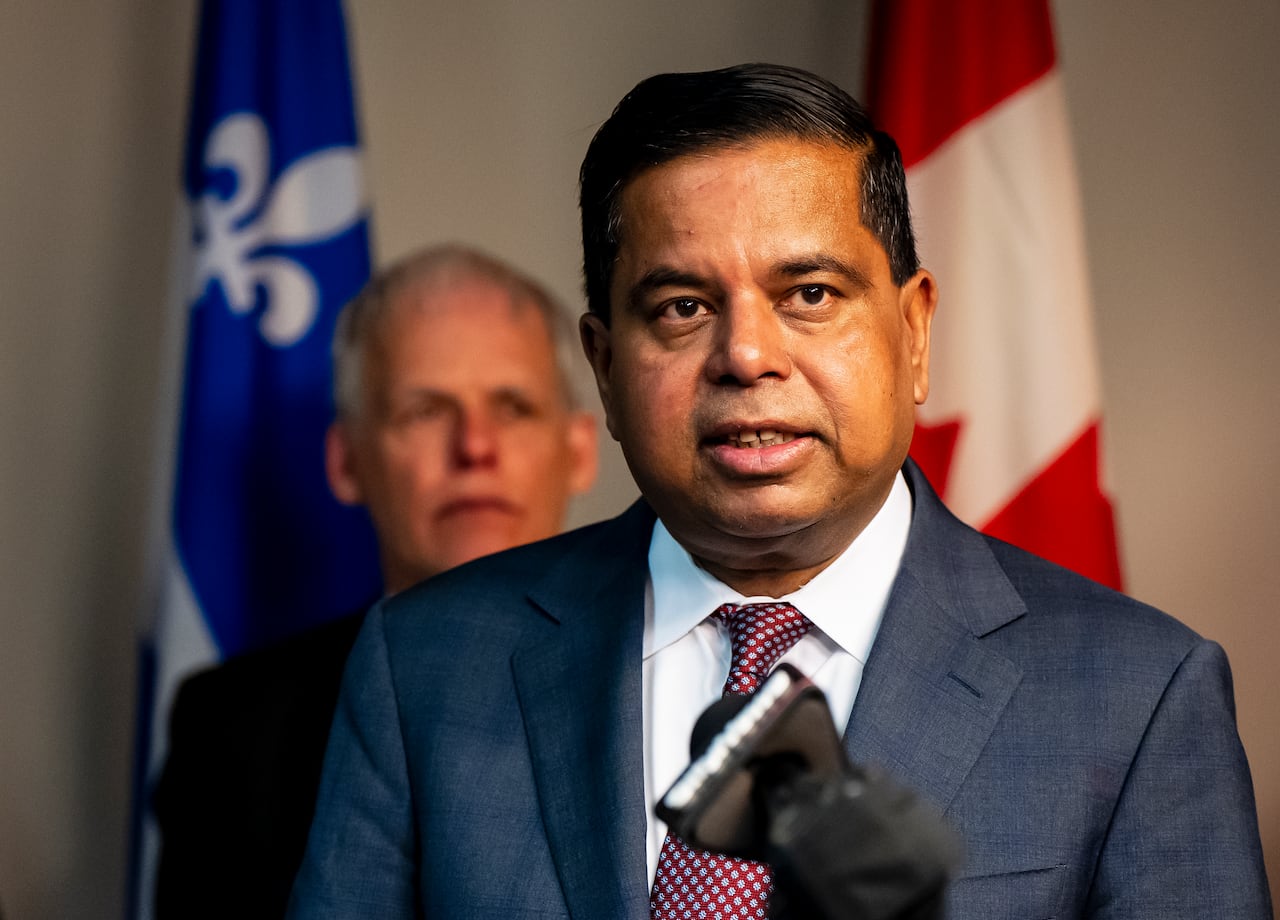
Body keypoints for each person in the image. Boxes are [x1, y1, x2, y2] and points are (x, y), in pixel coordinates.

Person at [287, 64, 1272, 919]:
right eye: (682, 306)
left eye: (809, 294)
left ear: (913, 331)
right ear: (605, 367)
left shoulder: (1140, 696)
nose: (747, 355)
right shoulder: (424, 667)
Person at [151, 244, 598, 920]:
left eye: (513, 407)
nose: (475, 448)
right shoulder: (231, 731)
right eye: (426, 411)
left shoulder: (680, 673)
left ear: (581, 450)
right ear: (347, 462)